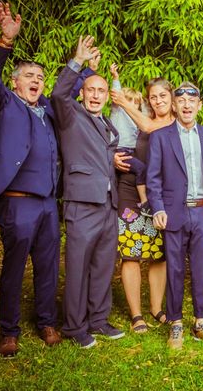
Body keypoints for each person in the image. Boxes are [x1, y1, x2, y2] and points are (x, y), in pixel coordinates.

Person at [0, 3, 65, 357]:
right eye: (29, 77)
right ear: (15, 82)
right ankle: (9, 331)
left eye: (41, 78)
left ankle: (47, 322)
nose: (36, 82)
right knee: (14, 267)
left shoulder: (48, 112)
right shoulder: (2, 104)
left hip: (47, 202)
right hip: (16, 201)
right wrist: (4, 41)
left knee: (48, 265)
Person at [51, 35, 123, 348]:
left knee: (102, 266)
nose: (95, 95)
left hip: (108, 204)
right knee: (78, 268)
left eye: (101, 91)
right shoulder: (71, 116)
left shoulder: (106, 121)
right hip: (81, 204)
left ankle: (98, 320)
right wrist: (78, 61)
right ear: (82, 93)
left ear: (108, 95)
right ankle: (74, 326)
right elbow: (57, 94)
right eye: (90, 90)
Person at [146, 82, 203, 349]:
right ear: (174, 105)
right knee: (175, 268)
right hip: (173, 213)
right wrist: (157, 207)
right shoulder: (161, 137)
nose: (186, 106)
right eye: (180, 101)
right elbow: (153, 177)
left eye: (191, 102)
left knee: (201, 269)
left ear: (199, 106)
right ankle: (175, 322)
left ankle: (201, 321)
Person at [110, 76, 175, 333]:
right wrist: (112, 157)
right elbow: (116, 139)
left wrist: (125, 103)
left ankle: (156, 307)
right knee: (131, 251)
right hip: (130, 189)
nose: (158, 101)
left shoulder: (175, 122)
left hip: (162, 193)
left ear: (171, 99)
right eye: (154, 97)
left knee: (160, 254)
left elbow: (151, 129)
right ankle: (136, 314)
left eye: (163, 96)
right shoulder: (138, 119)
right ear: (148, 100)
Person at [109, 63, 151, 216]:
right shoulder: (118, 111)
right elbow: (117, 94)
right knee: (141, 169)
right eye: (129, 100)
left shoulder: (138, 119)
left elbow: (147, 113)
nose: (132, 104)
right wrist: (116, 77)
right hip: (119, 150)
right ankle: (145, 202)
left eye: (136, 102)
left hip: (130, 151)